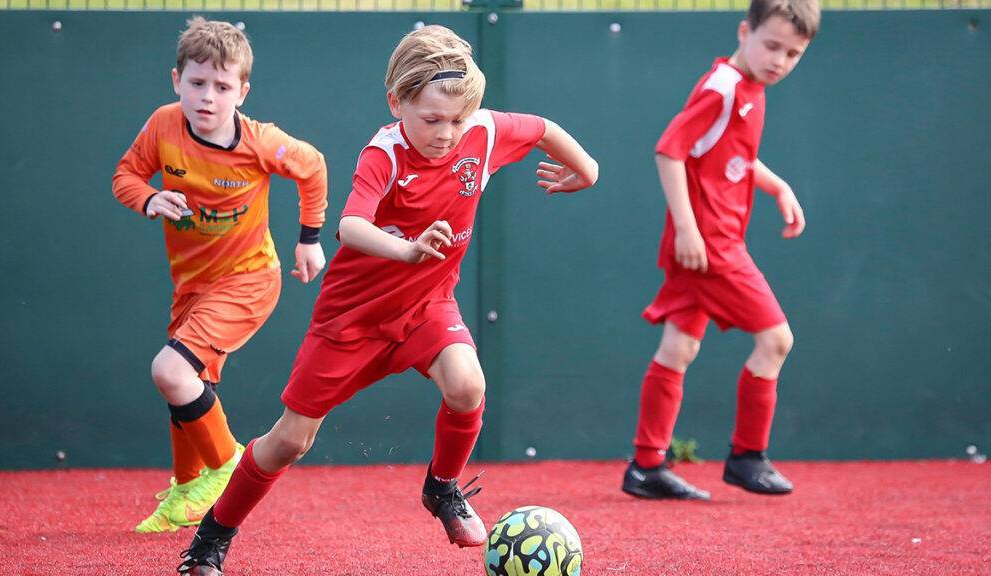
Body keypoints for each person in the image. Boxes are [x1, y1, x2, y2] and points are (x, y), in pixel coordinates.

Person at [176, 24, 598, 574]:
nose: (447, 134)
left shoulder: (484, 132)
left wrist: (586, 171)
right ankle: (212, 538)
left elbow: (545, 128)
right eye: (431, 120)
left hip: (426, 306)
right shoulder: (386, 153)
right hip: (352, 319)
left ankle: (442, 488)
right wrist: (408, 251)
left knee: (468, 384)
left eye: (458, 120)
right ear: (397, 102)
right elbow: (350, 226)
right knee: (289, 442)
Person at [113, 16, 328, 533]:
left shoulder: (261, 142)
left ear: (242, 91)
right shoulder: (164, 124)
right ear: (176, 81)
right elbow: (125, 175)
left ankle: (227, 465)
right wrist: (149, 198)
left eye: (222, 86)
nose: (208, 97)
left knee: (170, 370)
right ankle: (186, 495)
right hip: (191, 285)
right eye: (197, 83)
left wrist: (310, 239)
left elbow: (314, 166)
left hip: (250, 278)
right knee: (189, 384)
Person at [622, 0, 820, 501]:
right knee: (777, 341)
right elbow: (669, 150)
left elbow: (733, 157)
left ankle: (647, 467)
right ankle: (747, 456)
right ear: (744, 31)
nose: (780, 60)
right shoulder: (724, 88)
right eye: (771, 45)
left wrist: (777, 186)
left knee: (678, 348)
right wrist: (688, 230)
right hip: (711, 247)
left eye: (793, 54)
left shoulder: (750, 87)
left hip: (708, 245)